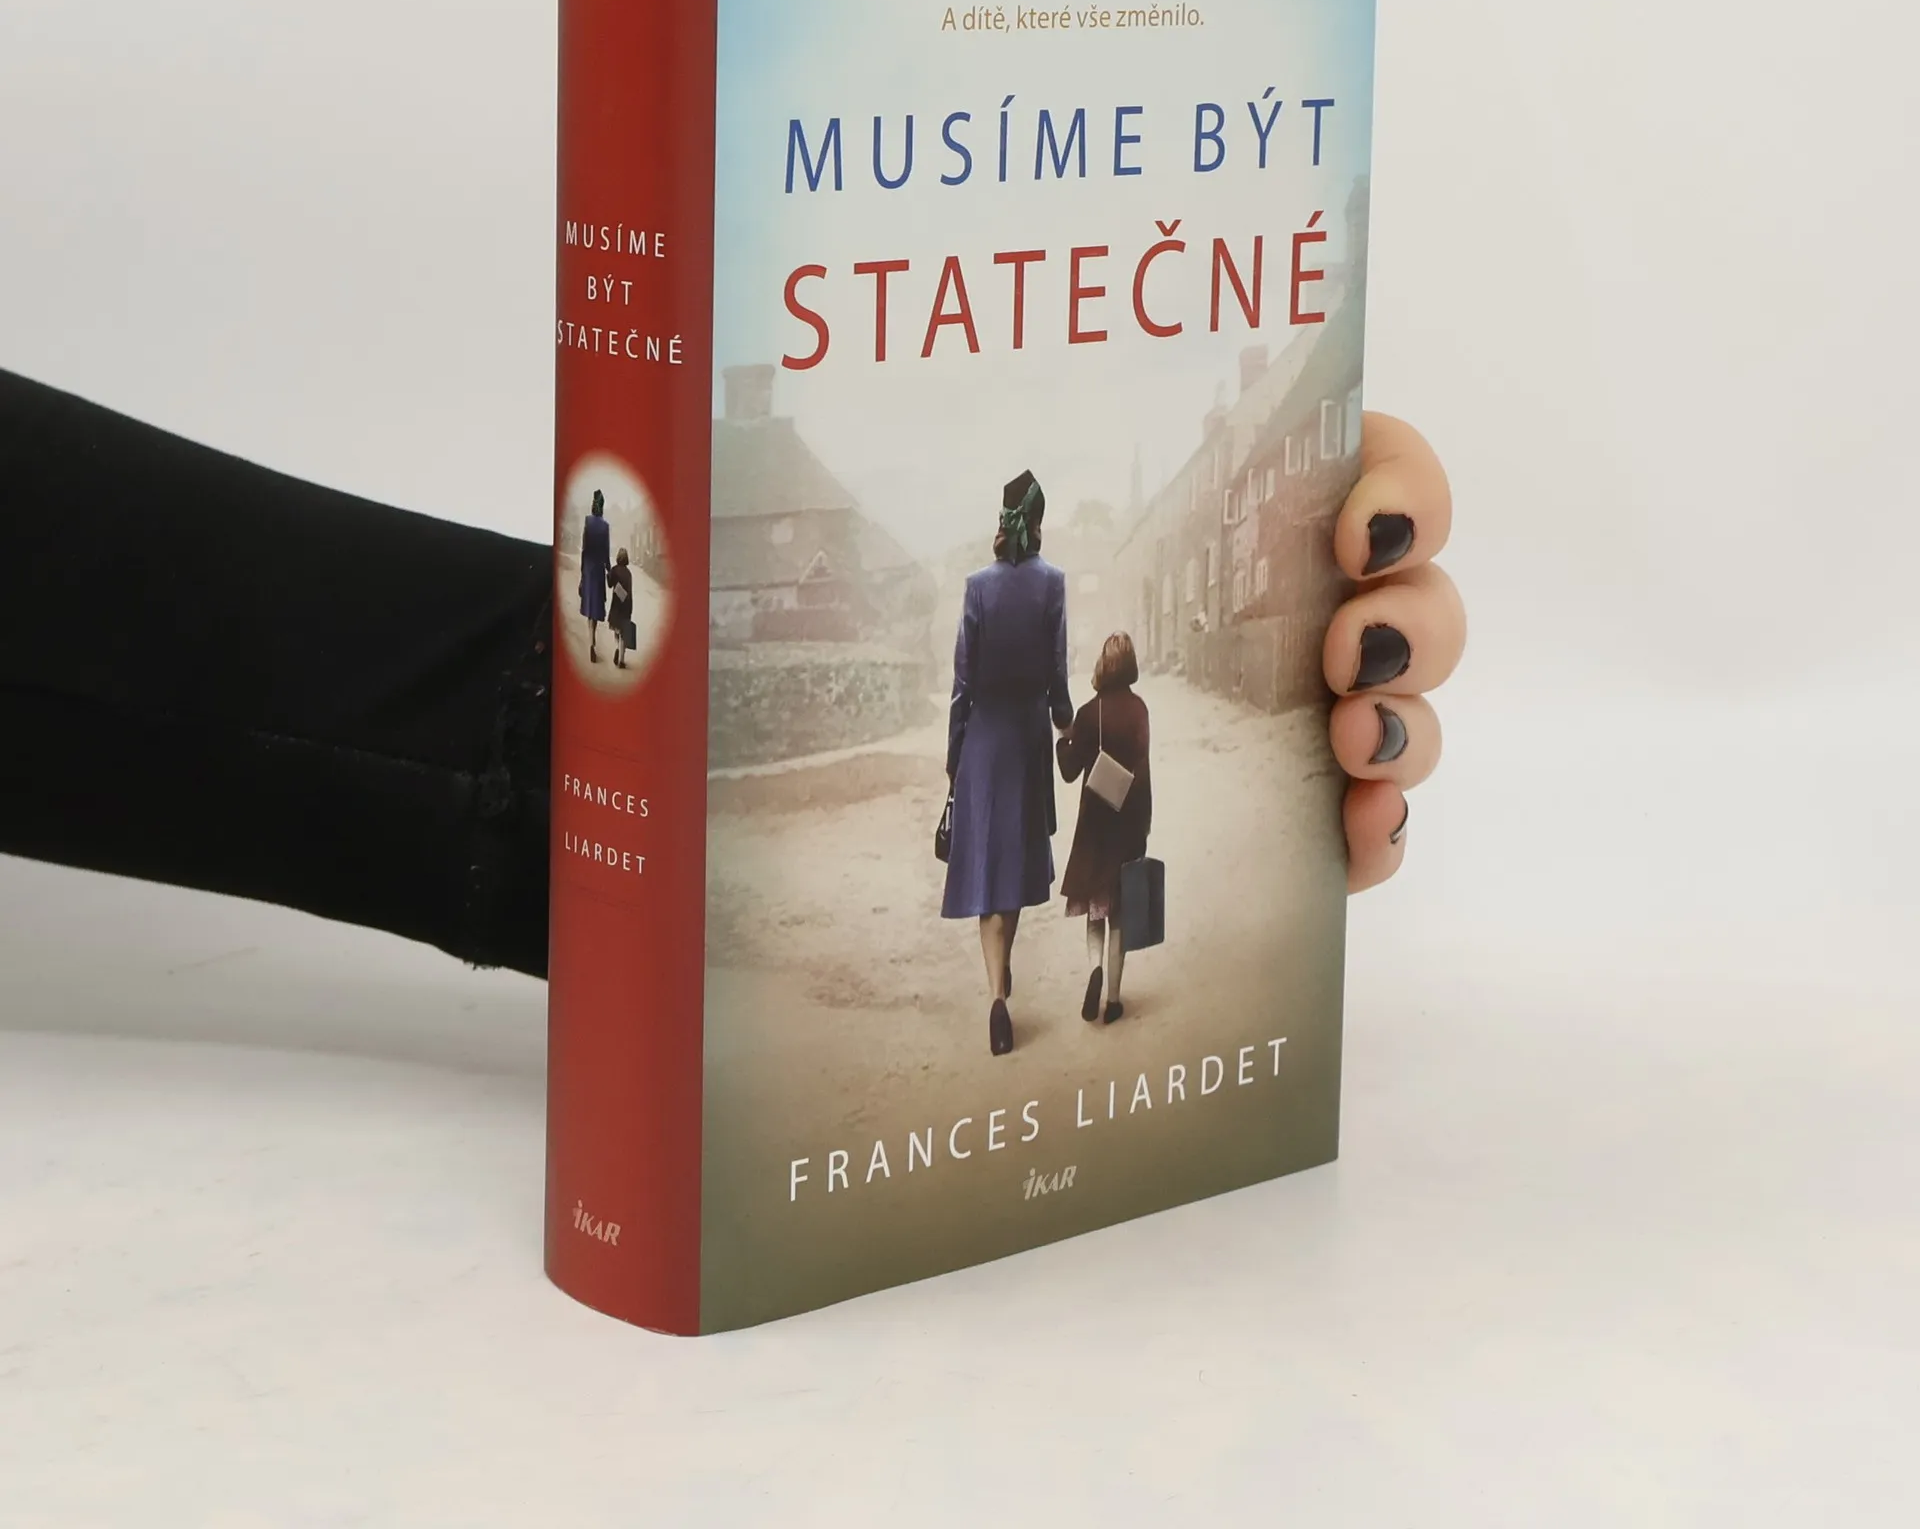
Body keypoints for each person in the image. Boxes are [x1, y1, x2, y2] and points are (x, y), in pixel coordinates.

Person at [0, 370, 1462, 978]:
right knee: (1075, 868)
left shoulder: (1006, 596)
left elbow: (981, 679)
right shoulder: (1033, 607)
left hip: (995, 747)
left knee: (1040, 874)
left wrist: (614, 740)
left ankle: (1025, 982)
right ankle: (1071, 977)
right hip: (1020, 748)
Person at [940, 470, 1076, 1058]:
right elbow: (1057, 670)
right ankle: (1005, 973)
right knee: (1014, 865)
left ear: (1001, 519)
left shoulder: (977, 587)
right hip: (1026, 739)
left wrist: (955, 755)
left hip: (984, 740)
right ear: (1039, 523)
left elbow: (962, 681)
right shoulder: (1053, 583)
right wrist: (1065, 720)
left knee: (987, 871)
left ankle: (997, 997)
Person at [1056, 631, 1151, 1026]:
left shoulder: (1087, 713)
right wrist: (1144, 825)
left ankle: (1094, 968)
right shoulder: (1139, 710)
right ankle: (1113, 1000)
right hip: (1127, 822)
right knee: (1121, 916)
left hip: (1095, 825)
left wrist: (1063, 740)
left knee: (1096, 912)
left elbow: (1068, 771)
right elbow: (1143, 770)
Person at [578, 490, 610, 661]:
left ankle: (591, 641)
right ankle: (592, 640)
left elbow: (584, 550)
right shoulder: (605, 526)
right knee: (596, 607)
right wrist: (610, 570)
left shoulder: (587, 522)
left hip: (588, 569)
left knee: (589, 606)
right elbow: (606, 552)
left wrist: (582, 574)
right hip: (598, 571)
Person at [607, 546, 635, 670]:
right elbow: (630, 591)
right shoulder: (629, 573)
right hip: (627, 604)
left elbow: (609, 584)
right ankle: (622, 660)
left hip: (617, 604)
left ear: (618, 557)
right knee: (624, 632)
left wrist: (608, 574)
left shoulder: (614, 570)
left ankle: (617, 648)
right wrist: (630, 607)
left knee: (617, 630)